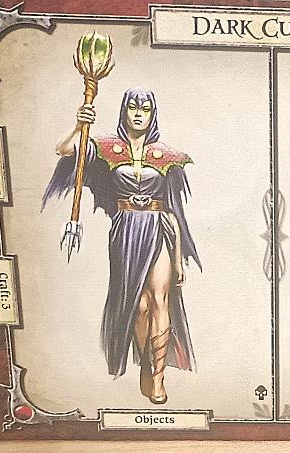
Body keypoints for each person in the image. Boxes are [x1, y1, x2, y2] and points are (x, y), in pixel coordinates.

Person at [44, 88, 200, 404]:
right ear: (124, 111)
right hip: (126, 230)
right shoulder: (106, 149)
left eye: (145, 108)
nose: (139, 114)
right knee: (139, 306)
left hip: (159, 227)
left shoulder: (166, 156)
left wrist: (178, 258)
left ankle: (158, 378)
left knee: (160, 299)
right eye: (133, 107)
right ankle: (147, 363)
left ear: (153, 113)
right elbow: (64, 149)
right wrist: (79, 124)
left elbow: (172, 208)